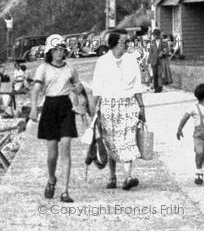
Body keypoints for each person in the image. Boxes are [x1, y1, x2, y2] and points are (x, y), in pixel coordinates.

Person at [30, 34, 83, 202]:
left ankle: (65, 191)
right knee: (52, 154)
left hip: (66, 107)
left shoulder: (70, 68)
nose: (59, 53)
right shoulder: (43, 68)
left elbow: (78, 85)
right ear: (50, 51)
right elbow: (36, 89)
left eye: (62, 50)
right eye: (56, 50)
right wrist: (33, 108)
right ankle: (52, 179)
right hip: (49, 108)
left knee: (66, 147)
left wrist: (78, 89)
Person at [91, 29, 146, 190]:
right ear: (115, 43)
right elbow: (97, 87)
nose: (128, 45)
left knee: (128, 140)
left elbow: (137, 86)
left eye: (128, 42)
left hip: (128, 105)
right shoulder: (102, 61)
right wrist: (95, 110)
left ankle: (128, 176)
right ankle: (112, 176)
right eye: (125, 42)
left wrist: (142, 107)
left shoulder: (131, 60)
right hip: (108, 105)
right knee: (110, 142)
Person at [147, 28, 169, 92]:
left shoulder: (164, 42)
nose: (154, 36)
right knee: (155, 74)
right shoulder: (152, 42)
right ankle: (155, 87)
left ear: (158, 35)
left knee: (160, 74)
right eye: (153, 35)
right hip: (153, 61)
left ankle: (159, 88)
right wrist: (148, 60)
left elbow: (167, 50)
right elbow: (151, 52)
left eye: (155, 35)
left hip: (161, 60)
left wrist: (163, 52)